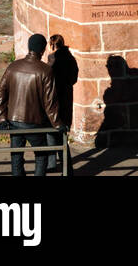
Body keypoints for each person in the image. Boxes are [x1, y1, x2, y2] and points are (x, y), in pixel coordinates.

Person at [0, 33, 64, 178]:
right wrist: (58, 124)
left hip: (14, 121)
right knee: (41, 155)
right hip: (34, 122)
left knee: (16, 156)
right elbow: (50, 102)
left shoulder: (13, 66)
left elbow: (0, 93)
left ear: (29, 47)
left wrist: (2, 119)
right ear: (42, 50)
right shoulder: (45, 71)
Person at [47, 34, 79, 173]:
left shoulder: (53, 59)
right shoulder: (71, 59)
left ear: (53, 45)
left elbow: (47, 79)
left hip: (55, 100)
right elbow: (73, 79)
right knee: (63, 133)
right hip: (66, 99)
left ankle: (52, 164)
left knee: (51, 132)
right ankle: (66, 167)